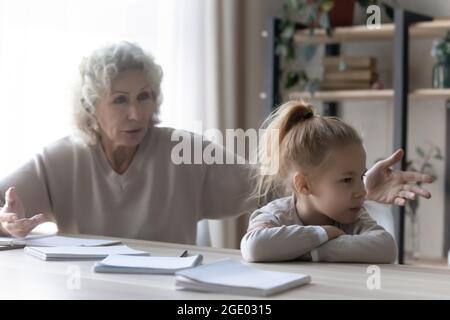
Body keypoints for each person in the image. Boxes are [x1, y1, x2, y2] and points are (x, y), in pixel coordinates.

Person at [0, 42, 433, 246]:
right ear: (91, 106)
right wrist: (7, 223)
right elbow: (7, 208)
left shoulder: (183, 150)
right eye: (120, 100)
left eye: (145, 97)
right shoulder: (59, 158)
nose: (137, 113)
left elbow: (274, 185)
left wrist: (355, 185)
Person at [241, 101, 431, 263]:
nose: (362, 192)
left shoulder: (354, 217)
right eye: (347, 180)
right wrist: (323, 233)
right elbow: (254, 247)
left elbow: (386, 247)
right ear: (304, 185)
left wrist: (309, 251)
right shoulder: (275, 216)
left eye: (361, 176)